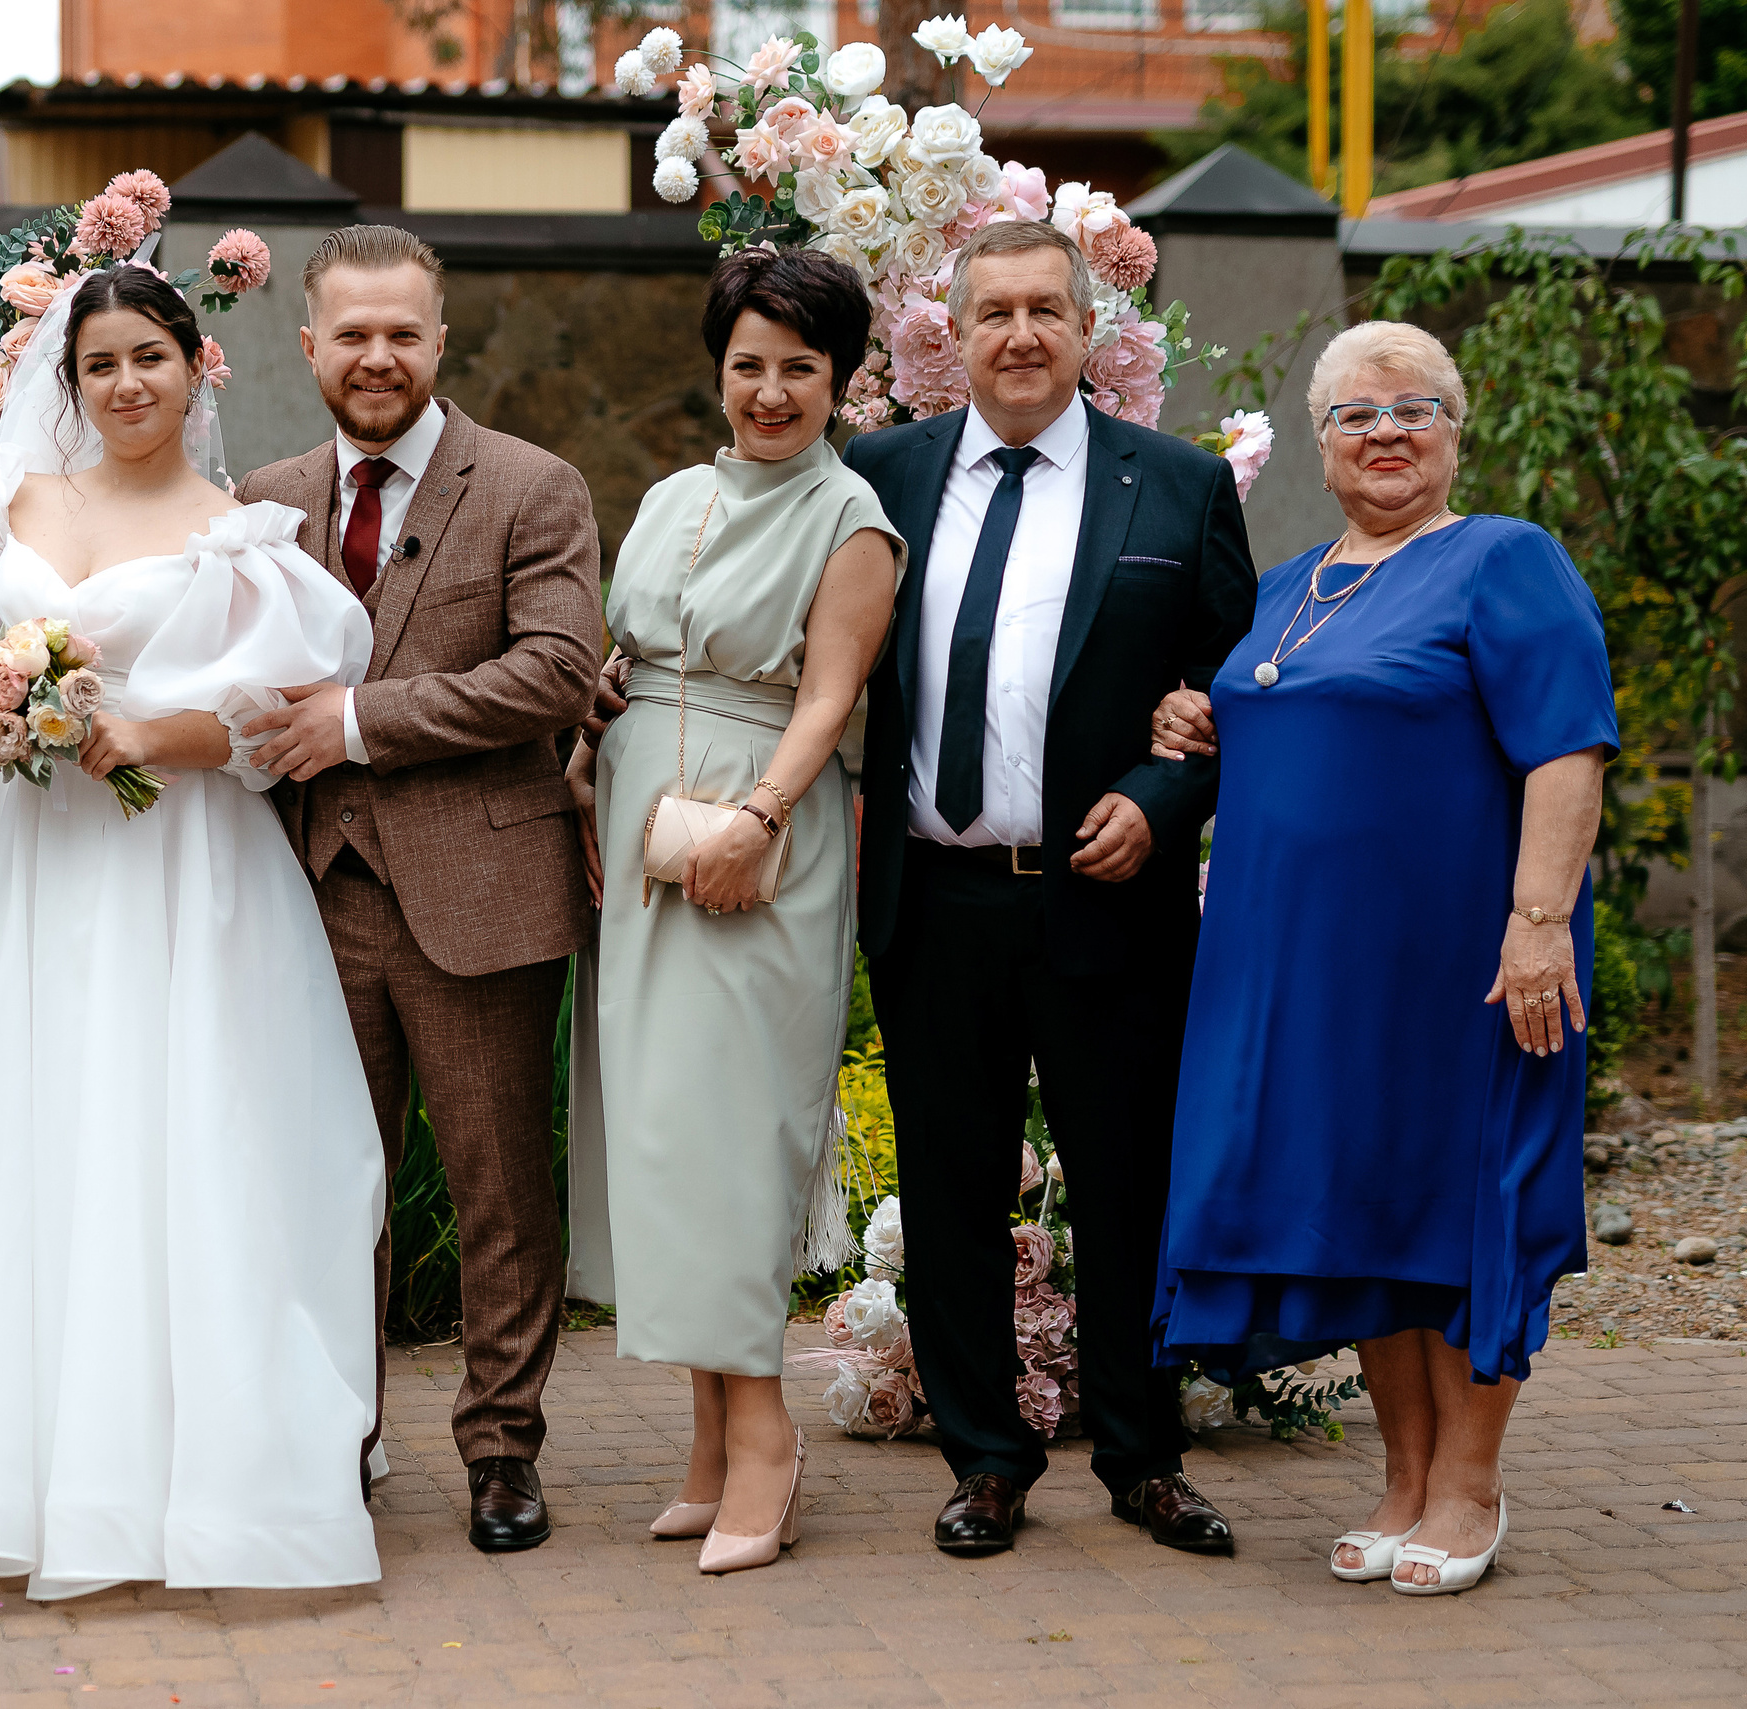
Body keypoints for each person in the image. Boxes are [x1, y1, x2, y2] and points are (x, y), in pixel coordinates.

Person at [0, 263, 387, 1599]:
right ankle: (20, 1460)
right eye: (100, 364)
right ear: (70, 382)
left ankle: (182, 1472)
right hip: (34, 863)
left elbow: (281, 721)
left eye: (150, 356)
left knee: (175, 1130)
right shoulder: (14, 502)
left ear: (195, 366)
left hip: (177, 867)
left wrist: (149, 734)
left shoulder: (239, 534)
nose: (126, 382)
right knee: (37, 1128)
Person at [1146, 322, 1615, 1596]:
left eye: (1414, 408)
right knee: (1365, 1209)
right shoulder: (1287, 585)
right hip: (1305, 972)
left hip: (1456, 960)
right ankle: (1403, 1479)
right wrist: (1201, 715)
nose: (1386, 432)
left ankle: (1469, 1486)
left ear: (1455, 432)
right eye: (1356, 414)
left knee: (1462, 1202)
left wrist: (1537, 920)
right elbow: (1288, 718)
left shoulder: (1502, 559)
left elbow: (1566, 751)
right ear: (1321, 443)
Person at [843, 219, 1257, 1557]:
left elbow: (1239, 688)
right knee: (951, 1189)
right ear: (952, 336)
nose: (1019, 335)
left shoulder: (1179, 486)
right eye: (994, 312)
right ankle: (985, 1457)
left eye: (1044, 311)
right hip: (934, 896)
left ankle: (1143, 1455)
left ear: (1090, 329)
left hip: (1107, 894)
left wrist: (1163, 798)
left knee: (1126, 1182)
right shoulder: (878, 476)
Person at [234, 225, 601, 1554]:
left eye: (403, 333)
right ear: (309, 347)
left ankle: (503, 1450)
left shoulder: (531, 485)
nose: (377, 356)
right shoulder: (265, 499)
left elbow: (556, 672)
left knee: (499, 1188)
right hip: (303, 896)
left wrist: (355, 722)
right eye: (353, 334)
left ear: (440, 341)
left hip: (480, 889)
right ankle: (341, 1434)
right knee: (331, 1186)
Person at [563, 247, 900, 1576]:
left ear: (840, 379)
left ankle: (765, 1441)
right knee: (660, 1130)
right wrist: (589, 739)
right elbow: (631, 652)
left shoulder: (852, 517)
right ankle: (707, 1442)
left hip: (762, 835)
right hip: (641, 825)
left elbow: (830, 692)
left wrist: (761, 815)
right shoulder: (668, 497)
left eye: (798, 369)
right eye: (748, 365)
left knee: (729, 1135)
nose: (769, 391)